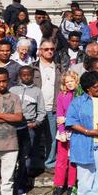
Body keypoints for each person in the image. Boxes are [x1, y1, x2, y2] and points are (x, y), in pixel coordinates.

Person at [10, 66, 45, 195]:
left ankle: (21, 185)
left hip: (29, 126)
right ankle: (11, 183)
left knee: (26, 157)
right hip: (13, 127)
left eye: (28, 75)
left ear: (32, 76)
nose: (26, 77)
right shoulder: (13, 90)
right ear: (19, 76)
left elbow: (41, 111)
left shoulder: (37, 91)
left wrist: (35, 123)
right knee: (13, 156)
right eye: (23, 75)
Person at [32, 39, 63, 171]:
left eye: (52, 49)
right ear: (40, 51)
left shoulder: (59, 67)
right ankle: (33, 163)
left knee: (52, 138)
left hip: (53, 108)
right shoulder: (33, 68)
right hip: (36, 109)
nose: (49, 51)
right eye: (46, 49)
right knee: (34, 138)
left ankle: (50, 162)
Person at [52, 70, 79, 195]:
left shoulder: (80, 95)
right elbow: (59, 115)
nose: (69, 84)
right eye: (67, 82)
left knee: (73, 161)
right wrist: (61, 131)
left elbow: (79, 116)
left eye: (71, 81)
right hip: (64, 133)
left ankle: (71, 185)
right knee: (61, 160)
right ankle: (58, 185)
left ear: (76, 81)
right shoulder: (62, 95)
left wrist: (66, 120)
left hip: (77, 132)